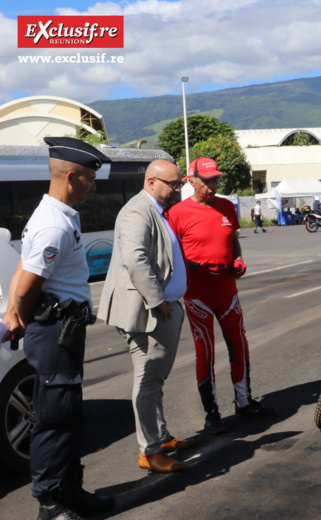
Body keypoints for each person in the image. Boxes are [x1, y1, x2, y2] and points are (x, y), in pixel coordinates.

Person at [1, 137, 115, 520]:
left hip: (64, 330)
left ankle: (70, 489)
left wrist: (16, 312)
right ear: (72, 177)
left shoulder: (59, 214)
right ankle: (50, 502)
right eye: (90, 179)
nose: (94, 186)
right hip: (53, 333)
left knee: (69, 415)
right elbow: (29, 283)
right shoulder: (54, 225)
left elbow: (23, 265)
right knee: (53, 417)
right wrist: (19, 314)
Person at [167, 157, 277, 435]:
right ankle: (211, 413)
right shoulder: (177, 213)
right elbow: (170, 252)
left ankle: (244, 402)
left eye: (215, 179)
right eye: (206, 180)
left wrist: (239, 259)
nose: (212, 185)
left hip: (228, 292)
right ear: (191, 180)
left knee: (239, 346)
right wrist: (190, 266)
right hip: (197, 296)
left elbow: (234, 239)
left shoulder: (227, 206)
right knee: (205, 353)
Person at [97, 160, 193, 474]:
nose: (179, 189)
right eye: (174, 184)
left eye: (180, 183)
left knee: (155, 378)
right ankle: (149, 452)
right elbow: (135, 258)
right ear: (152, 182)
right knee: (148, 378)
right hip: (148, 312)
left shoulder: (155, 209)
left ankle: (161, 437)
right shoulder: (138, 211)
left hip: (159, 308)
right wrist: (158, 301)